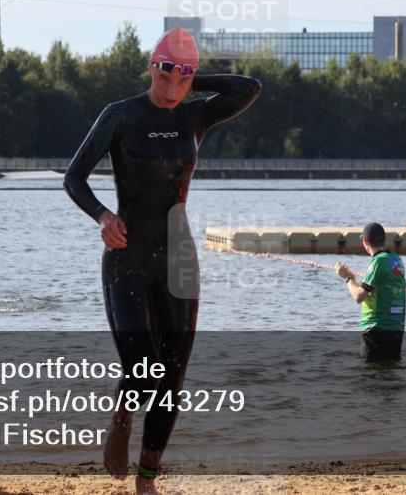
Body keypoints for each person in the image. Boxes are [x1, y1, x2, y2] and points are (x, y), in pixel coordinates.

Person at [63, 28, 261, 495]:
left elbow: (249, 89)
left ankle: (147, 480)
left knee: (172, 378)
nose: (174, 88)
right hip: (126, 252)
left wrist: (193, 72)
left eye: (184, 79)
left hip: (179, 257)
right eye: (167, 73)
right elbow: (74, 177)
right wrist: (102, 216)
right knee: (146, 365)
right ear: (152, 67)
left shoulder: (196, 116)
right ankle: (122, 416)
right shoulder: (121, 116)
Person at [336, 222, 406, 362]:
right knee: (390, 374)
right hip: (396, 328)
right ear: (383, 239)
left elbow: (359, 296)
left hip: (376, 329)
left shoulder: (378, 262)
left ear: (365, 242)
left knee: (371, 376)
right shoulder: (397, 259)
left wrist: (349, 278)